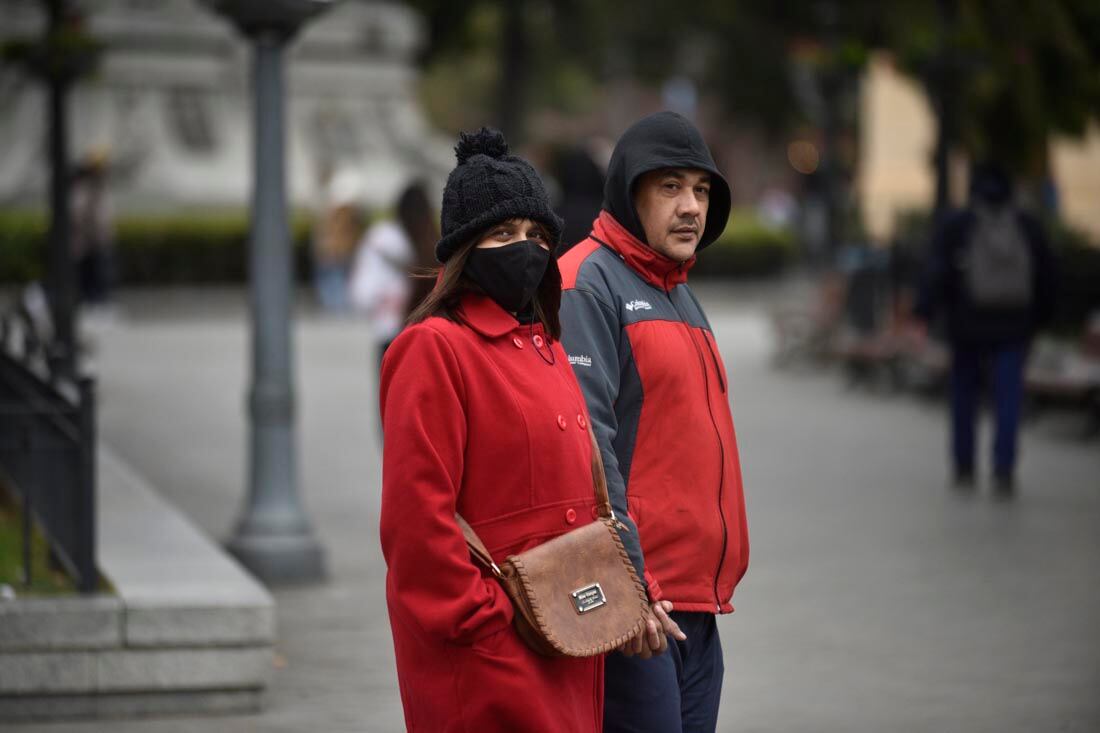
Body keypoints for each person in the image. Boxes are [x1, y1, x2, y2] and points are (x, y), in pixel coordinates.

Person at [379, 128, 632, 732]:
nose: (525, 248)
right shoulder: (434, 349)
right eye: (502, 234)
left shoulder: (545, 344)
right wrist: (488, 620)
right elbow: (416, 522)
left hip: (565, 634)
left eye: (535, 235)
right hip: (491, 658)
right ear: (466, 250)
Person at [558, 111, 750, 733]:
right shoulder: (587, 281)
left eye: (700, 189)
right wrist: (627, 586)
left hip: (694, 605)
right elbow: (587, 446)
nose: (691, 205)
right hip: (638, 612)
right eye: (670, 187)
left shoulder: (679, 291)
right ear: (628, 191)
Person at [913, 162, 1057, 496]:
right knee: (1008, 398)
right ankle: (1003, 469)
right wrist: (1040, 319)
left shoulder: (959, 224)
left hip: (967, 323)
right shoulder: (1026, 225)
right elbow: (1047, 277)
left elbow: (936, 272)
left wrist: (926, 311)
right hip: (1014, 323)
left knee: (964, 396)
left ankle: (964, 465)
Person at [349, 180, 437, 372]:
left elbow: (364, 292)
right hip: (429, 334)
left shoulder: (382, 238)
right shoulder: (433, 241)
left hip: (389, 330)